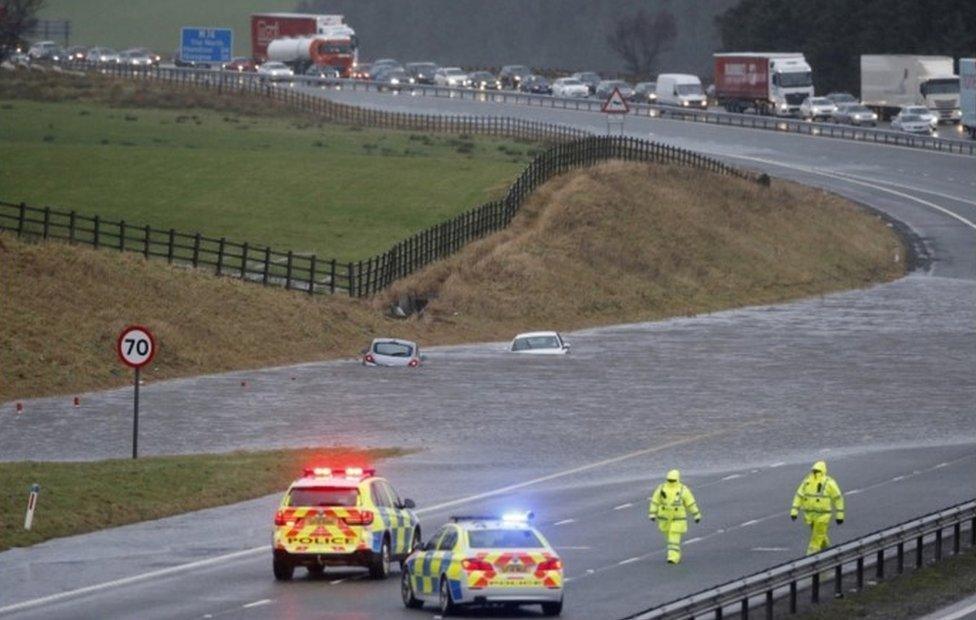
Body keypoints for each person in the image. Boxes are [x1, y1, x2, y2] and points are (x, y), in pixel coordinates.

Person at [790, 460, 845, 555]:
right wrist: (794, 511)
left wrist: (840, 516)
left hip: (823, 516)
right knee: (820, 536)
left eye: (817, 471)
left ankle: (810, 559)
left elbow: (838, 499)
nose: (815, 472)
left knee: (815, 539)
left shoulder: (829, 483)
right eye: (814, 471)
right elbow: (799, 496)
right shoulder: (807, 481)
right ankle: (829, 553)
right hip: (809, 516)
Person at [648, 469, 701, 564]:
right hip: (664, 519)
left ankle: (673, 557)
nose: (671, 481)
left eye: (672, 480)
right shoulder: (662, 488)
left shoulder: (682, 490)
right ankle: (675, 554)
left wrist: (696, 514)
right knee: (670, 539)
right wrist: (652, 513)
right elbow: (655, 501)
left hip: (678, 519)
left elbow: (690, 503)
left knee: (673, 539)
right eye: (669, 479)